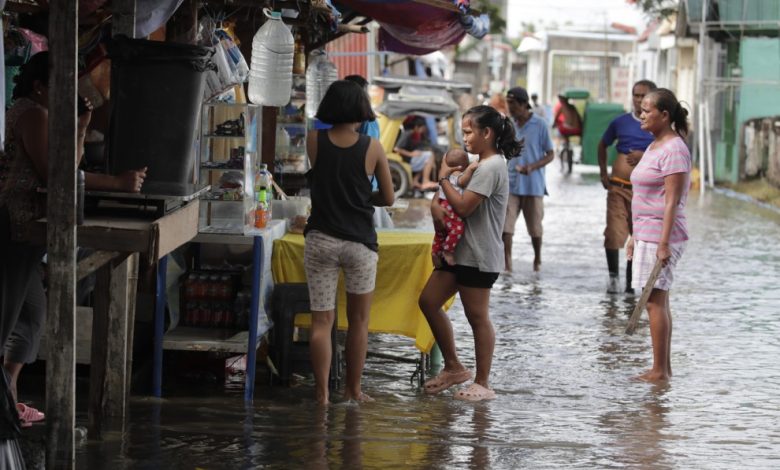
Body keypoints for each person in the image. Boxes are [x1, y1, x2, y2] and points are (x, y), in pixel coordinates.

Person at [0, 52, 146, 425]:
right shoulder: (31, 113)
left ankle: (9, 396)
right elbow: (56, 174)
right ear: (39, 88)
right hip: (14, 226)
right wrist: (116, 183)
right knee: (6, 321)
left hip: (31, 230)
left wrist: (81, 126)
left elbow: (72, 165)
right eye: (61, 84)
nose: (69, 91)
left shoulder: (44, 114)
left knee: (31, 318)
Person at [418, 105, 522, 402]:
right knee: (428, 301)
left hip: (479, 254)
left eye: (468, 132)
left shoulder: (491, 167)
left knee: (477, 317)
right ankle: (453, 366)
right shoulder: (481, 164)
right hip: (460, 252)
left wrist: (442, 180)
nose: (464, 138)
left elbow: (463, 207)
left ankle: (483, 382)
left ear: (486, 133)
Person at [304, 80, 395, 404]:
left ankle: (322, 395)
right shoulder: (372, 147)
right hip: (359, 244)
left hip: (321, 240)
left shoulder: (313, 140)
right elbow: (388, 196)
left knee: (322, 321)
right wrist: (361, 197)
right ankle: (353, 391)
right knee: (358, 322)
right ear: (360, 109)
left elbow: (325, 179)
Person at [626, 88, 691, 383]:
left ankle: (659, 370)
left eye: (647, 110)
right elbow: (644, 194)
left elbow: (672, 202)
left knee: (653, 299)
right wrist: (633, 235)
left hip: (660, 236)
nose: (641, 114)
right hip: (647, 233)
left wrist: (663, 244)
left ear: (664, 115)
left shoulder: (674, 149)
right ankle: (662, 368)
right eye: (641, 108)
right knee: (657, 299)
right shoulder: (655, 145)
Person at [598, 80, 657, 294]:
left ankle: (631, 282)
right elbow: (602, 144)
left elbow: (666, 152)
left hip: (646, 193)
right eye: (636, 95)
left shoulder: (657, 125)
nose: (639, 99)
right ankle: (613, 278)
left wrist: (644, 156)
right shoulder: (620, 122)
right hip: (618, 187)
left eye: (644, 95)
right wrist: (603, 173)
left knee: (640, 236)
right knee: (614, 233)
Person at [503, 87, 555, 273]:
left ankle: (537, 260)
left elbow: (550, 154)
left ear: (524, 104)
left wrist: (532, 167)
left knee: (535, 227)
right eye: (508, 104)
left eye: (513, 104)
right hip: (511, 182)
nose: (510, 108)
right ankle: (507, 263)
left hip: (533, 184)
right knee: (506, 226)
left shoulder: (540, 124)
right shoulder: (508, 125)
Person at [431, 148, 476, 267]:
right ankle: (447, 251)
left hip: (441, 205)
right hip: (449, 207)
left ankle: (435, 252)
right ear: (462, 166)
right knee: (458, 228)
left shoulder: (444, 175)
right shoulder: (457, 174)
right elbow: (462, 182)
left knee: (440, 234)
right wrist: (471, 169)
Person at [552, 94, 582, 174]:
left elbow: (556, 119)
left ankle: (563, 165)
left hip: (567, 130)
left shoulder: (562, 107)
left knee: (559, 124)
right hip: (577, 129)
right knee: (567, 147)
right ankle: (567, 147)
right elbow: (579, 118)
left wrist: (554, 125)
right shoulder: (572, 106)